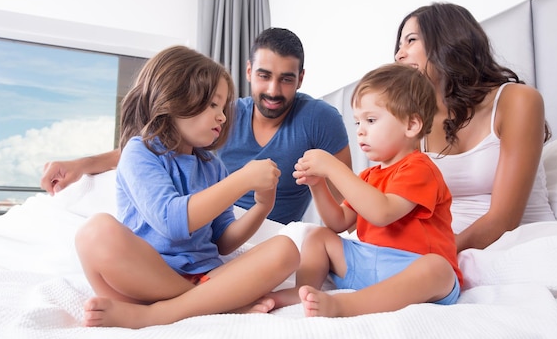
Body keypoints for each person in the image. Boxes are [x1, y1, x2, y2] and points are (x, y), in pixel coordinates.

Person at [75, 45, 299, 328]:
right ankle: (212, 303)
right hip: (147, 279)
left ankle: (166, 312)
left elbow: (223, 241)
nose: (223, 116)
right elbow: (171, 220)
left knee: (287, 250)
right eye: (213, 105)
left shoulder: (212, 165)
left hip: (206, 277)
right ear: (174, 100)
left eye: (223, 107)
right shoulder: (140, 152)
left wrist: (262, 206)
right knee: (94, 233)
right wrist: (241, 179)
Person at [40, 28, 351, 225]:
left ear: (301, 79)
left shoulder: (320, 119)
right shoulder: (224, 115)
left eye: (286, 79)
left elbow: (347, 206)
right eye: (264, 75)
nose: (272, 90)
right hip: (203, 218)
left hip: (257, 230)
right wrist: (81, 164)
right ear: (248, 71)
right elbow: (154, 147)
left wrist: (319, 179)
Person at [270, 63, 461, 318]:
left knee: (439, 269)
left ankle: (344, 305)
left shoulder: (419, 168)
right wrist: (318, 185)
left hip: (410, 269)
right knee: (317, 236)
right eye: (358, 121)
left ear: (412, 125)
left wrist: (334, 168)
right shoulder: (369, 177)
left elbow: (382, 212)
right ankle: (303, 289)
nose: (360, 130)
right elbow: (338, 223)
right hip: (369, 264)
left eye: (371, 120)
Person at [394, 2, 556, 252]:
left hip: (522, 246)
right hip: (447, 255)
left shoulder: (517, 100)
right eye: (399, 46)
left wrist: (436, 256)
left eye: (410, 40)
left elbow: (505, 219)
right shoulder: (415, 125)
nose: (399, 54)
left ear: (447, 41)